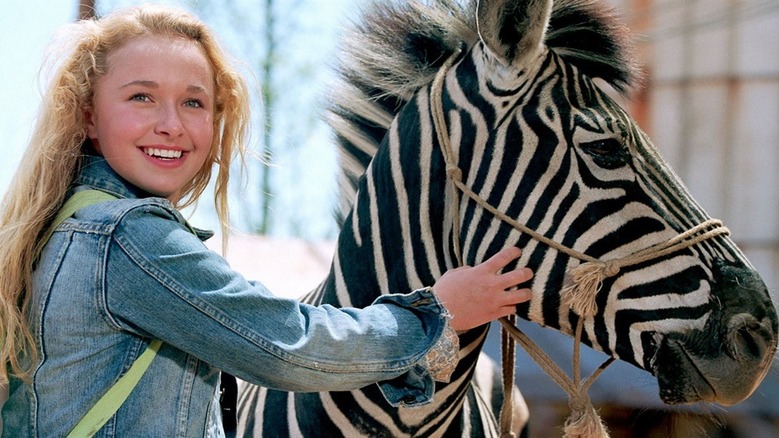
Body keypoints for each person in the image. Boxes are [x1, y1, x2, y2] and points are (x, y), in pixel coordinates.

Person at [0, 5, 534, 436]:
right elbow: (288, 347)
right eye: (141, 97)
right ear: (88, 115)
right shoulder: (128, 237)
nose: (170, 124)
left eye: (193, 102)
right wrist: (436, 314)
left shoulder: (64, 227)